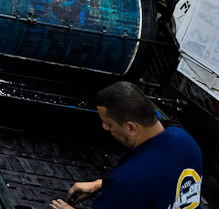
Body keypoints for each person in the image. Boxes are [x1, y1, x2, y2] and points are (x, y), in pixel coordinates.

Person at [50, 81, 202, 209]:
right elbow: (164, 182)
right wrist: (101, 184)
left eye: (109, 123)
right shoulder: (186, 141)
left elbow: (135, 184)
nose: (104, 127)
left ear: (131, 128)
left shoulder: (128, 180)